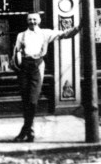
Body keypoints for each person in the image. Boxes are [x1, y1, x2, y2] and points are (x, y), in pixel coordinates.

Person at [11, 12, 81, 142]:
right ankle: (30, 131)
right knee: (26, 100)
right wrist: (18, 61)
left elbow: (65, 34)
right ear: (27, 21)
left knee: (33, 100)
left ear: (39, 20)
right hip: (24, 68)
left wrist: (79, 27)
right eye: (30, 19)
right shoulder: (21, 35)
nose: (32, 21)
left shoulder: (46, 33)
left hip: (37, 67)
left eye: (34, 19)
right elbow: (16, 52)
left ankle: (24, 130)